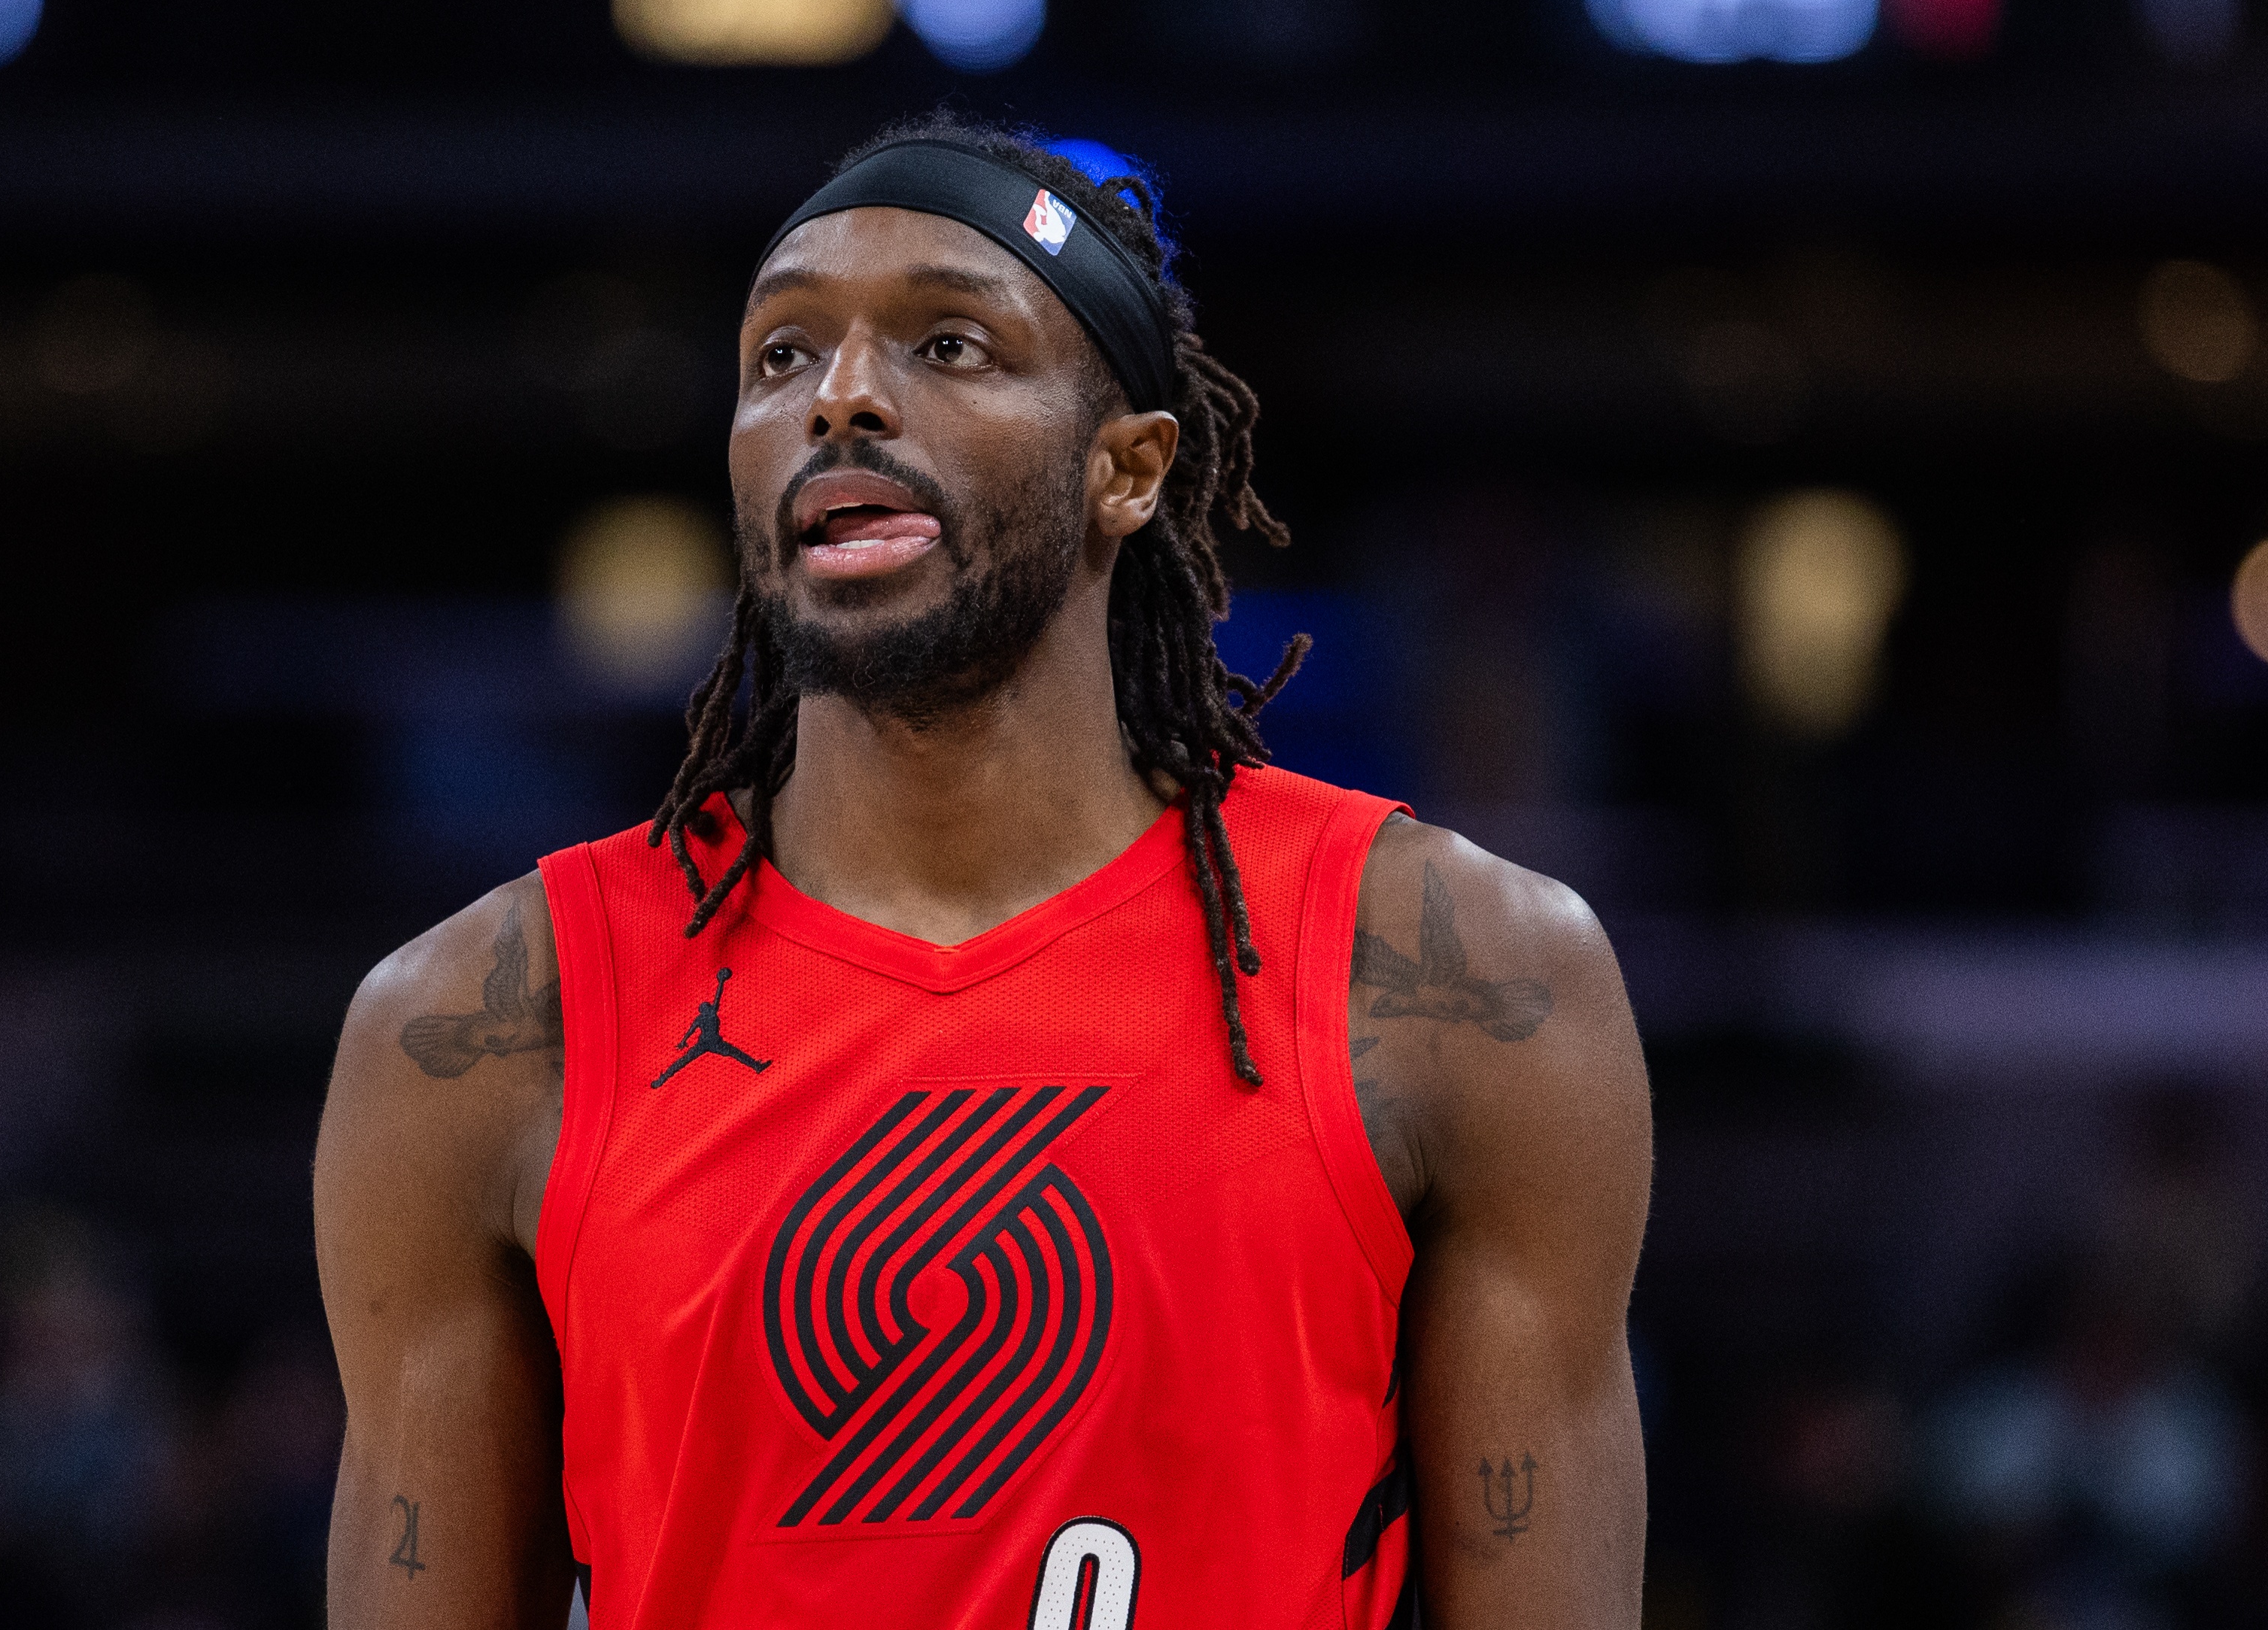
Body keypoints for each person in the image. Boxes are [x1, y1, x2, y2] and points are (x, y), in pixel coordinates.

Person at [314, 116, 1653, 1629]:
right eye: (780, 355)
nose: (839, 395)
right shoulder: (484, 1026)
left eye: (947, 344)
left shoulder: (1460, 979)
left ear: (1126, 470)